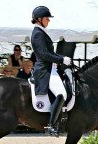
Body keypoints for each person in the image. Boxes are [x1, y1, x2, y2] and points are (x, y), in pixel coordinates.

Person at [31, 6, 71, 136]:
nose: (49, 20)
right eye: (47, 18)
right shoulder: (37, 33)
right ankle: (51, 125)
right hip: (44, 70)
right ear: (39, 19)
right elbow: (44, 54)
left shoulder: (41, 32)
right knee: (61, 93)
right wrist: (61, 59)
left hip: (51, 68)